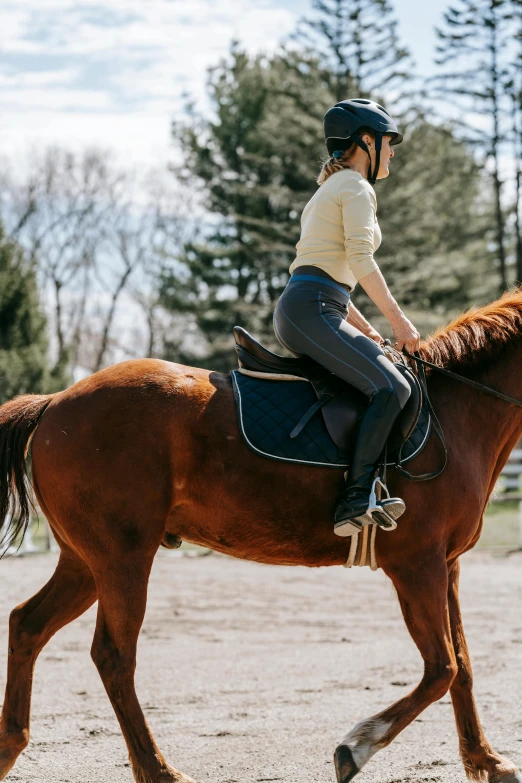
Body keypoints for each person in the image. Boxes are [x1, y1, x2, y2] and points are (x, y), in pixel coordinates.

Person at [273, 98, 421, 537]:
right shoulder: (355, 187)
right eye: (388, 142)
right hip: (314, 308)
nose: (392, 151)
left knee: (384, 377)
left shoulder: (329, 190)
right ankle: (355, 498)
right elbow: (359, 258)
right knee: (393, 386)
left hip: (313, 305)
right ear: (365, 142)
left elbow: (329, 273)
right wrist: (400, 324)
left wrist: (370, 331)